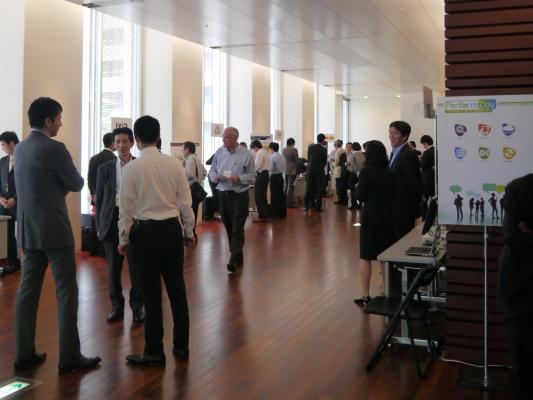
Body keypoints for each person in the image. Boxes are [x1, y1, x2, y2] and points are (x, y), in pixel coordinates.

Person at [14, 97, 101, 374]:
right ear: (48, 120)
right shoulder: (54, 148)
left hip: (29, 231)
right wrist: (59, 188)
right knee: (66, 292)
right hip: (55, 231)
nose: (61, 123)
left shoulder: (21, 148)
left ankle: (23, 353)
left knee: (27, 292)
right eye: (59, 118)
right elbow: (77, 182)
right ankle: (70, 358)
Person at [118, 115, 196, 367]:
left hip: (144, 234)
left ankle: (154, 352)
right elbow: (185, 203)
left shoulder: (131, 169)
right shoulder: (175, 165)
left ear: (136, 139)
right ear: (159, 136)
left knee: (151, 295)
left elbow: (126, 209)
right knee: (177, 290)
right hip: (171, 231)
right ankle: (182, 347)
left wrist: (123, 238)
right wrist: (189, 232)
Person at [95, 127, 144, 324]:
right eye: (117, 142)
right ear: (113, 144)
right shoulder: (105, 168)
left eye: (125, 141)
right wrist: (99, 225)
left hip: (135, 220)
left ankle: (137, 306)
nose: (121, 145)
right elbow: (99, 201)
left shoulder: (140, 166)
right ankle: (117, 306)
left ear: (132, 143)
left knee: (136, 267)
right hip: (112, 220)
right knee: (113, 268)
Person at [498, 173, 533, 399]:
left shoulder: (519, 190)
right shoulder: (520, 189)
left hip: (520, 291)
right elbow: (512, 236)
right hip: (518, 293)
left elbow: (516, 238)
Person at [354, 141, 396, 306]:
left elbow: (360, 195)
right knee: (385, 257)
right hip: (388, 216)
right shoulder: (390, 172)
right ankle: (386, 291)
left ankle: (365, 295)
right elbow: (395, 194)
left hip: (370, 217)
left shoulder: (366, 172)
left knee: (366, 257)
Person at [208, 127, 256, 273]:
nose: (223, 140)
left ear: (235, 138)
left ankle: (233, 260)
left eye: (226, 138)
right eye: (223, 138)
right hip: (223, 194)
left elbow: (253, 176)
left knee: (237, 228)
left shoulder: (246, 154)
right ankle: (237, 255)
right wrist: (214, 177)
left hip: (239, 196)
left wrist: (239, 178)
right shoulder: (219, 152)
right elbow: (212, 170)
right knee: (229, 226)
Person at [388, 121, 422, 238]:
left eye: (395, 133)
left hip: (403, 208)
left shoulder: (408, 154)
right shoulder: (394, 153)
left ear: (405, 136)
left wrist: (415, 211)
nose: (391, 136)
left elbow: (415, 183)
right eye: (390, 132)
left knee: (402, 240)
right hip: (394, 207)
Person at [87, 132, 116, 256]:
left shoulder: (94, 158)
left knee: (96, 220)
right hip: (109, 197)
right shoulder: (114, 160)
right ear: (112, 143)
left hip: (96, 196)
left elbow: (89, 179)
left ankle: (94, 249)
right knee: (108, 221)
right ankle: (104, 251)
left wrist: (93, 193)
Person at [0, 131, 20, 276]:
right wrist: (0, 197)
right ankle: (10, 262)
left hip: (19, 203)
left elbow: (26, 184)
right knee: (6, 233)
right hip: (4, 204)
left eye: (3, 145)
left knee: (23, 234)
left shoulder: (24, 159)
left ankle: (17, 261)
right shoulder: (2, 161)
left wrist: (15, 199)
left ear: (12, 143)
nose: (2, 148)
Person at [183, 141, 207, 237]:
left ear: (188, 149)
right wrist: (199, 180)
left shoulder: (190, 159)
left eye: (183, 149)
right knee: (194, 211)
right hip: (196, 189)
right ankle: (192, 233)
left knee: (190, 212)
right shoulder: (196, 158)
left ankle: (190, 234)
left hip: (191, 190)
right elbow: (204, 172)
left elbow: (189, 174)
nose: (182, 151)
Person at [304, 134, 327, 212]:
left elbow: (308, 158)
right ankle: (318, 207)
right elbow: (324, 161)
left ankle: (306, 206)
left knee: (308, 188)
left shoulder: (310, 147)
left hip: (310, 170)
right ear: (323, 140)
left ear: (317, 139)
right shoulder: (324, 149)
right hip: (319, 171)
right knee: (319, 189)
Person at [250, 140, 270, 221]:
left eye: (253, 149)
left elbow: (258, 166)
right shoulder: (265, 151)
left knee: (259, 196)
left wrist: (252, 171)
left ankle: (262, 215)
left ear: (255, 147)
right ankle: (264, 214)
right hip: (265, 174)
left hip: (261, 175)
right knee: (263, 195)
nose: (253, 151)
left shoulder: (259, 153)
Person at [268, 142, 286, 218]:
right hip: (280, 177)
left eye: (269, 149)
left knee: (274, 196)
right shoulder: (282, 156)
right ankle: (282, 212)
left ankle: (275, 213)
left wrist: (268, 176)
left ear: (271, 148)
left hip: (274, 177)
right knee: (281, 195)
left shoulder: (272, 157)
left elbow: (271, 169)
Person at [346, 142, 365, 210]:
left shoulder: (353, 154)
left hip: (354, 174)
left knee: (352, 189)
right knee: (360, 188)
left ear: (353, 147)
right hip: (362, 173)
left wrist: (357, 173)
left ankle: (353, 204)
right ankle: (360, 204)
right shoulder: (363, 154)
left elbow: (353, 166)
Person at [282, 138, 299, 208]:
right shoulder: (294, 150)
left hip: (285, 169)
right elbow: (297, 161)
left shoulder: (283, 150)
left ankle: (284, 202)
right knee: (291, 187)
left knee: (285, 186)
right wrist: (298, 170)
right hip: (293, 170)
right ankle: (289, 203)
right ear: (292, 143)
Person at [420, 135, 435, 204]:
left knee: (424, 198)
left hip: (427, 177)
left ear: (425, 143)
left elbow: (423, 165)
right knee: (433, 196)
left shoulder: (426, 152)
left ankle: (425, 210)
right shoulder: (436, 150)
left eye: (423, 144)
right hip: (434, 176)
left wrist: (420, 160)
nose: (423, 146)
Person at [333, 140, 348, 206]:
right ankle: (344, 200)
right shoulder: (344, 150)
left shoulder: (338, 151)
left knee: (339, 186)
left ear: (336, 145)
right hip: (344, 169)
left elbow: (336, 162)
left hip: (339, 170)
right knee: (343, 185)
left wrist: (332, 163)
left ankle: (341, 200)